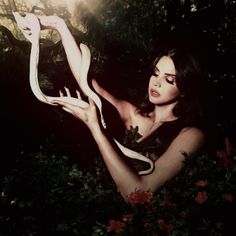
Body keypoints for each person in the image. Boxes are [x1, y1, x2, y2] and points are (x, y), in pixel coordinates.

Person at [15, 14, 207, 202]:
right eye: (155, 74)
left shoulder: (192, 135)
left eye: (169, 80)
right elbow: (88, 84)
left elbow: (138, 194)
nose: (156, 83)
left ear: (185, 88)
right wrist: (60, 27)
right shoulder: (134, 115)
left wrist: (95, 127)